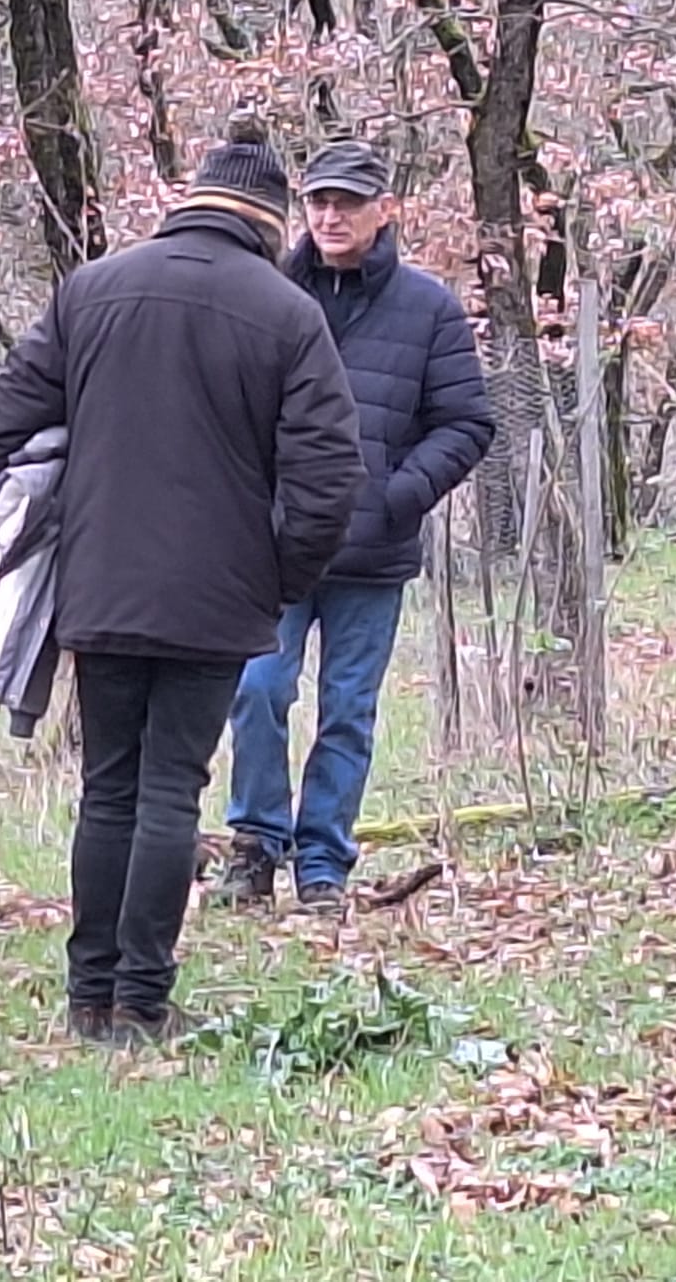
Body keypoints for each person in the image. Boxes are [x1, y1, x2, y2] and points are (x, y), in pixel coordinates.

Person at [0, 118, 365, 1045]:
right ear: (270, 223)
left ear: (188, 201)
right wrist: (278, 578)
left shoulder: (93, 290)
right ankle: (142, 1004)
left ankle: (88, 1001)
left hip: (100, 586)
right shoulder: (286, 313)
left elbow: (1, 420)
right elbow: (329, 477)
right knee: (168, 795)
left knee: (108, 789)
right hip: (217, 597)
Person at [218, 142, 494, 913]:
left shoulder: (427, 306)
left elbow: (467, 423)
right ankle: (255, 847)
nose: (331, 217)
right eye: (318, 203)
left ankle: (323, 865)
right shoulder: (266, 293)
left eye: (348, 203)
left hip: (372, 553)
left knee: (347, 710)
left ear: (385, 210)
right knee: (258, 691)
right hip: (270, 547)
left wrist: (398, 495)